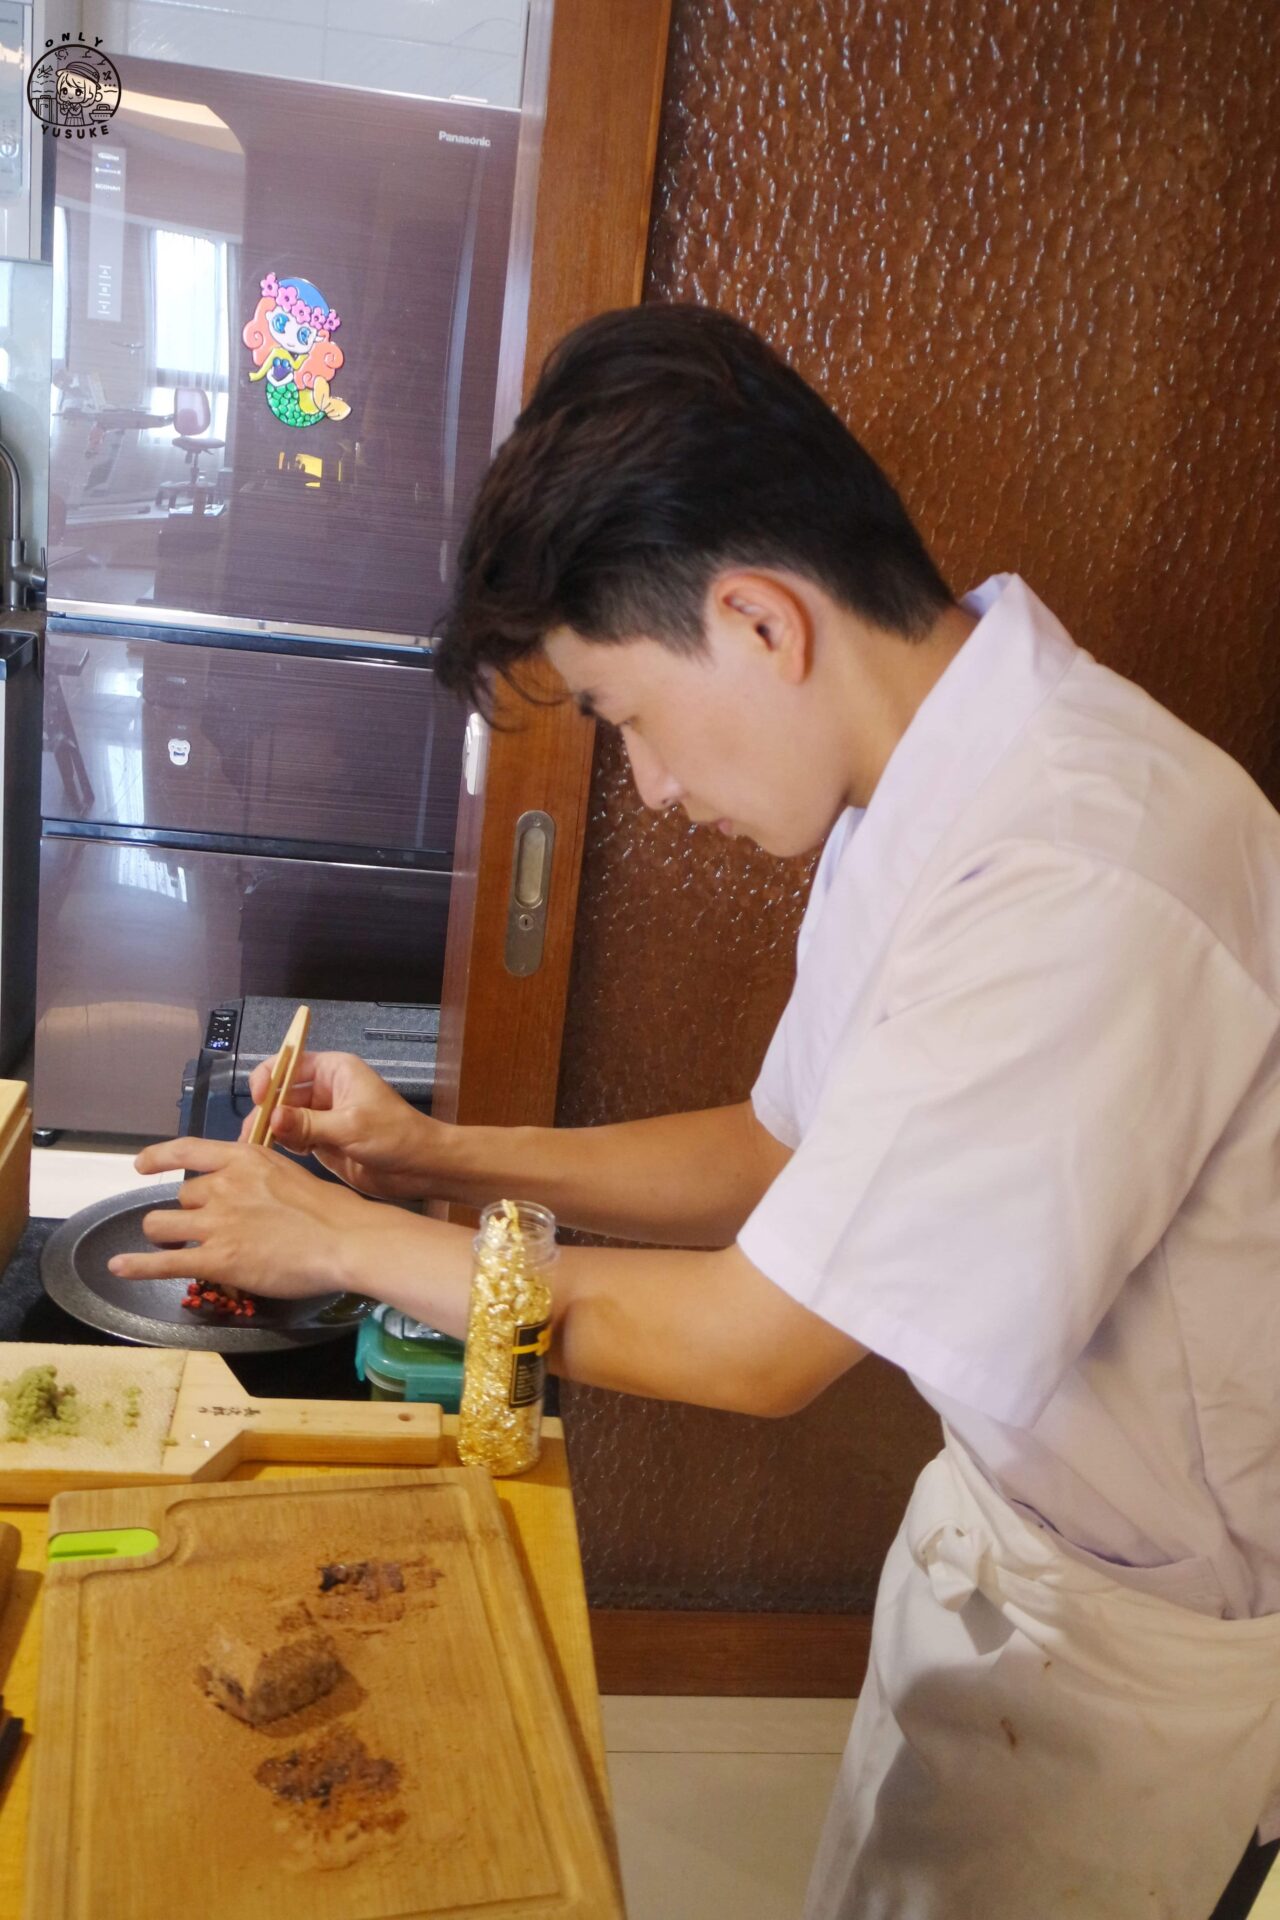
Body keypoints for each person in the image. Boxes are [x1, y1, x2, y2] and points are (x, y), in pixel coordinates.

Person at [110, 304, 1280, 1919]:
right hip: (1005, 1553)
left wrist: (358, 1242)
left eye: (625, 717)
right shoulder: (919, 793)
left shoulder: (1082, 864)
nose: (652, 787)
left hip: (1156, 1651)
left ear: (758, 622)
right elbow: (778, 1151)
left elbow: (760, 1342)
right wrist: (428, 1153)